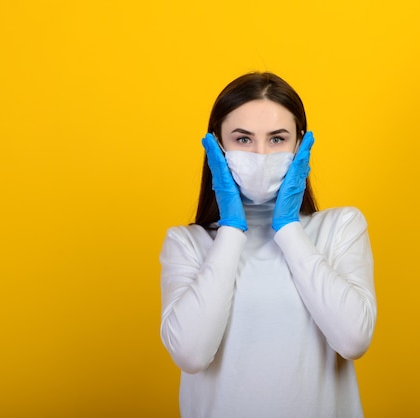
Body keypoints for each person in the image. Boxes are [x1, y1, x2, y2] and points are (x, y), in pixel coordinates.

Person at [159, 72, 376, 418]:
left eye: (277, 139)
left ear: (300, 146)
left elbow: (353, 339)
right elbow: (191, 354)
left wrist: (288, 226)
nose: (261, 154)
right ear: (217, 146)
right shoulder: (188, 244)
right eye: (243, 139)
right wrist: (231, 228)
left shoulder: (340, 228)